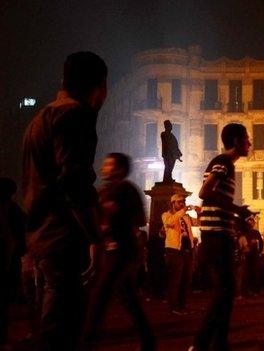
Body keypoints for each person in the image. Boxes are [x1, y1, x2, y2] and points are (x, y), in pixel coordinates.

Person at [22, 51, 106, 351]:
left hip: (41, 235)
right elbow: (75, 182)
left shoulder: (41, 118)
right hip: (63, 236)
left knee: (51, 321)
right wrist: (95, 236)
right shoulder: (75, 115)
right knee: (62, 328)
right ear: (99, 87)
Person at [81, 153, 155, 350]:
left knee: (100, 294)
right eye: (105, 164)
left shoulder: (126, 189)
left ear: (120, 169)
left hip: (123, 249)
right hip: (111, 249)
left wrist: (117, 214)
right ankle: (149, 341)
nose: (104, 167)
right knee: (128, 298)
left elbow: (140, 219)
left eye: (109, 164)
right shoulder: (103, 190)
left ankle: (87, 340)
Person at [191, 123, 251, 351]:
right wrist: (238, 209)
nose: (249, 144)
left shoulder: (225, 164)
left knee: (226, 292)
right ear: (236, 141)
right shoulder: (224, 163)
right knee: (224, 292)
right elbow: (205, 192)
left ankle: (218, 343)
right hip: (216, 237)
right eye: (246, 139)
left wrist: (236, 216)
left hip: (219, 235)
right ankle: (202, 343)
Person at [163, 193, 200, 315]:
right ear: (173, 203)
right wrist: (182, 211)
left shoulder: (186, 217)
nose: (183, 204)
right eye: (180, 202)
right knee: (175, 279)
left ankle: (183, 305)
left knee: (186, 279)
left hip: (187, 250)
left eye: (184, 202)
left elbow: (199, 223)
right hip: (174, 250)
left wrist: (199, 213)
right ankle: (174, 306)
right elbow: (169, 223)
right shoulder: (166, 215)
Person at [0, 178, 26, 347]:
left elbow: (10, 240)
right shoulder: (15, 210)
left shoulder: (6, 211)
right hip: (10, 262)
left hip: (7, 262)